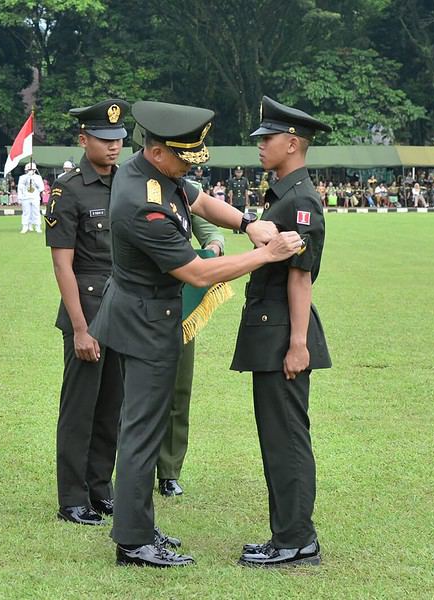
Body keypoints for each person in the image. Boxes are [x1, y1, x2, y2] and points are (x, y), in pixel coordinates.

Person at [88, 100, 303, 568]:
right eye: (183, 157)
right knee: (143, 430)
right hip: (146, 324)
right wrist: (265, 254)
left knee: (144, 425)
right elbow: (198, 273)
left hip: (140, 315)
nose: (189, 165)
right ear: (159, 151)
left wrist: (247, 222)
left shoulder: (152, 173)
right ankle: (133, 541)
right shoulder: (143, 205)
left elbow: (199, 199)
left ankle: (138, 524)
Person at [232, 96, 332, 569]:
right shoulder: (283, 193)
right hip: (271, 331)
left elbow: (300, 274)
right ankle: (286, 535)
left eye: (267, 139)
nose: (260, 146)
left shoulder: (301, 199)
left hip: (283, 335)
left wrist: (297, 344)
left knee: (287, 438)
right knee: (276, 437)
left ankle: (297, 540)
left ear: (292, 144)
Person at [44, 99, 130, 526]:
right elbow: (63, 264)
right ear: (84, 140)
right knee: (80, 407)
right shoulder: (69, 188)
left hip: (122, 311)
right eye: (104, 138)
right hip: (87, 308)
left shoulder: (128, 182)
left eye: (118, 139)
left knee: (112, 406)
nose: (114, 147)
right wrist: (80, 328)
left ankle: (101, 489)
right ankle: (72, 497)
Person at [157, 212, 224, 497]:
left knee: (177, 390)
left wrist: (215, 248)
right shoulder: (128, 185)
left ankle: (169, 472)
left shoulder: (184, 193)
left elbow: (211, 232)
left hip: (179, 304)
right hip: (134, 299)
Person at [18, 162, 44, 233]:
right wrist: (28, 177)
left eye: (32, 169)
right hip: (25, 197)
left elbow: (41, 188)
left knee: (36, 212)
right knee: (26, 212)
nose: (30, 171)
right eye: (29, 169)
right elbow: (20, 187)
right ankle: (25, 226)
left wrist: (34, 179)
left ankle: (37, 226)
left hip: (35, 197)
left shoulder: (38, 177)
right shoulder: (22, 177)